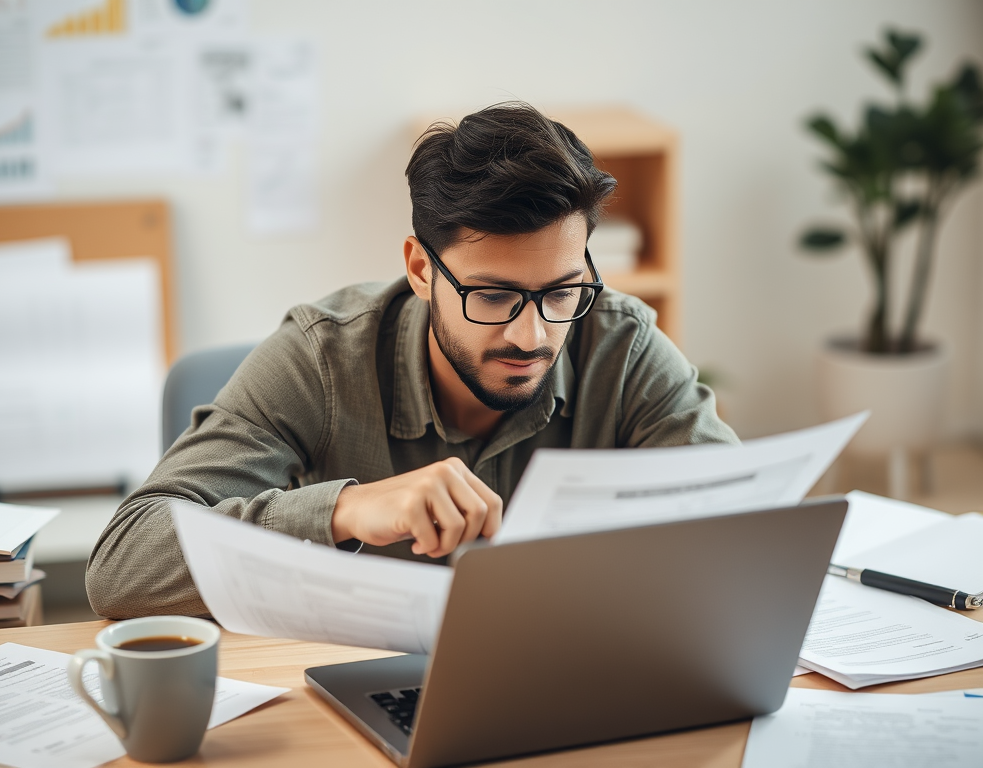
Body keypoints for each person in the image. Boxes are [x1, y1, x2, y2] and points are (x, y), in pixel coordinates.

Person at [86, 102, 739, 619]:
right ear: (422, 269)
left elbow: (742, 532)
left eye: (561, 292)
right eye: (493, 295)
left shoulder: (621, 346)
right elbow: (121, 567)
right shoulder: (320, 358)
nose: (532, 335)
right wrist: (343, 512)